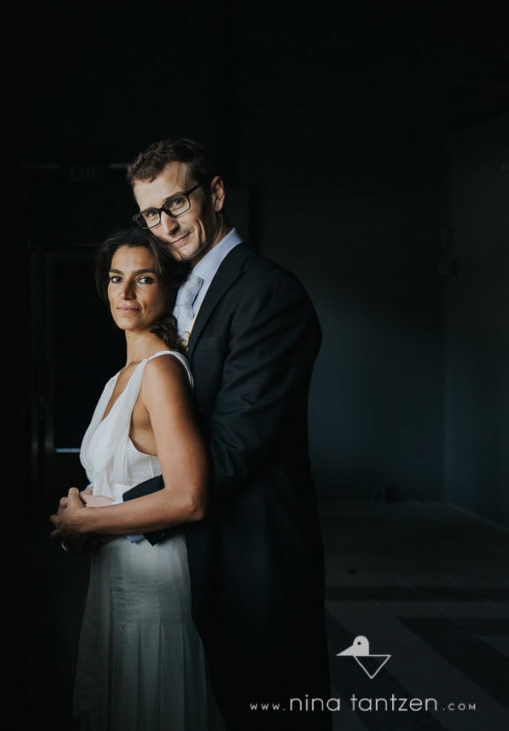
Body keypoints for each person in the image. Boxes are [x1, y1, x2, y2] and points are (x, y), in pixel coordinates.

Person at [127, 137, 332, 730]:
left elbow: (237, 450)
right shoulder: (173, 296)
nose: (165, 227)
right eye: (150, 214)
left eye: (177, 204)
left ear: (214, 194)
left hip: (257, 555)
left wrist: (121, 511)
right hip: (196, 553)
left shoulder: (269, 295)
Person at [49, 228, 226, 731]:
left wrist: (90, 522)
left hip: (155, 584)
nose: (124, 294)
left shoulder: (163, 372)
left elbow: (190, 497)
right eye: (115, 279)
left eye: (142, 279)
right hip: (116, 576)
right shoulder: (121, 376)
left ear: (168, 288)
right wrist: (81, 516)